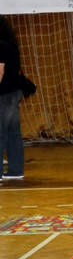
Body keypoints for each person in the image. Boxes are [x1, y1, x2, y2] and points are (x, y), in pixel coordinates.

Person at [0, 15, 24, 181]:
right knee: (13, 132)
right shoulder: (11, 45)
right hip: (15, 92)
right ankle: (16, 170)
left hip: (4, 94)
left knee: (1, 133)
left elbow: (0, 72)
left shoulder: (0, 45)